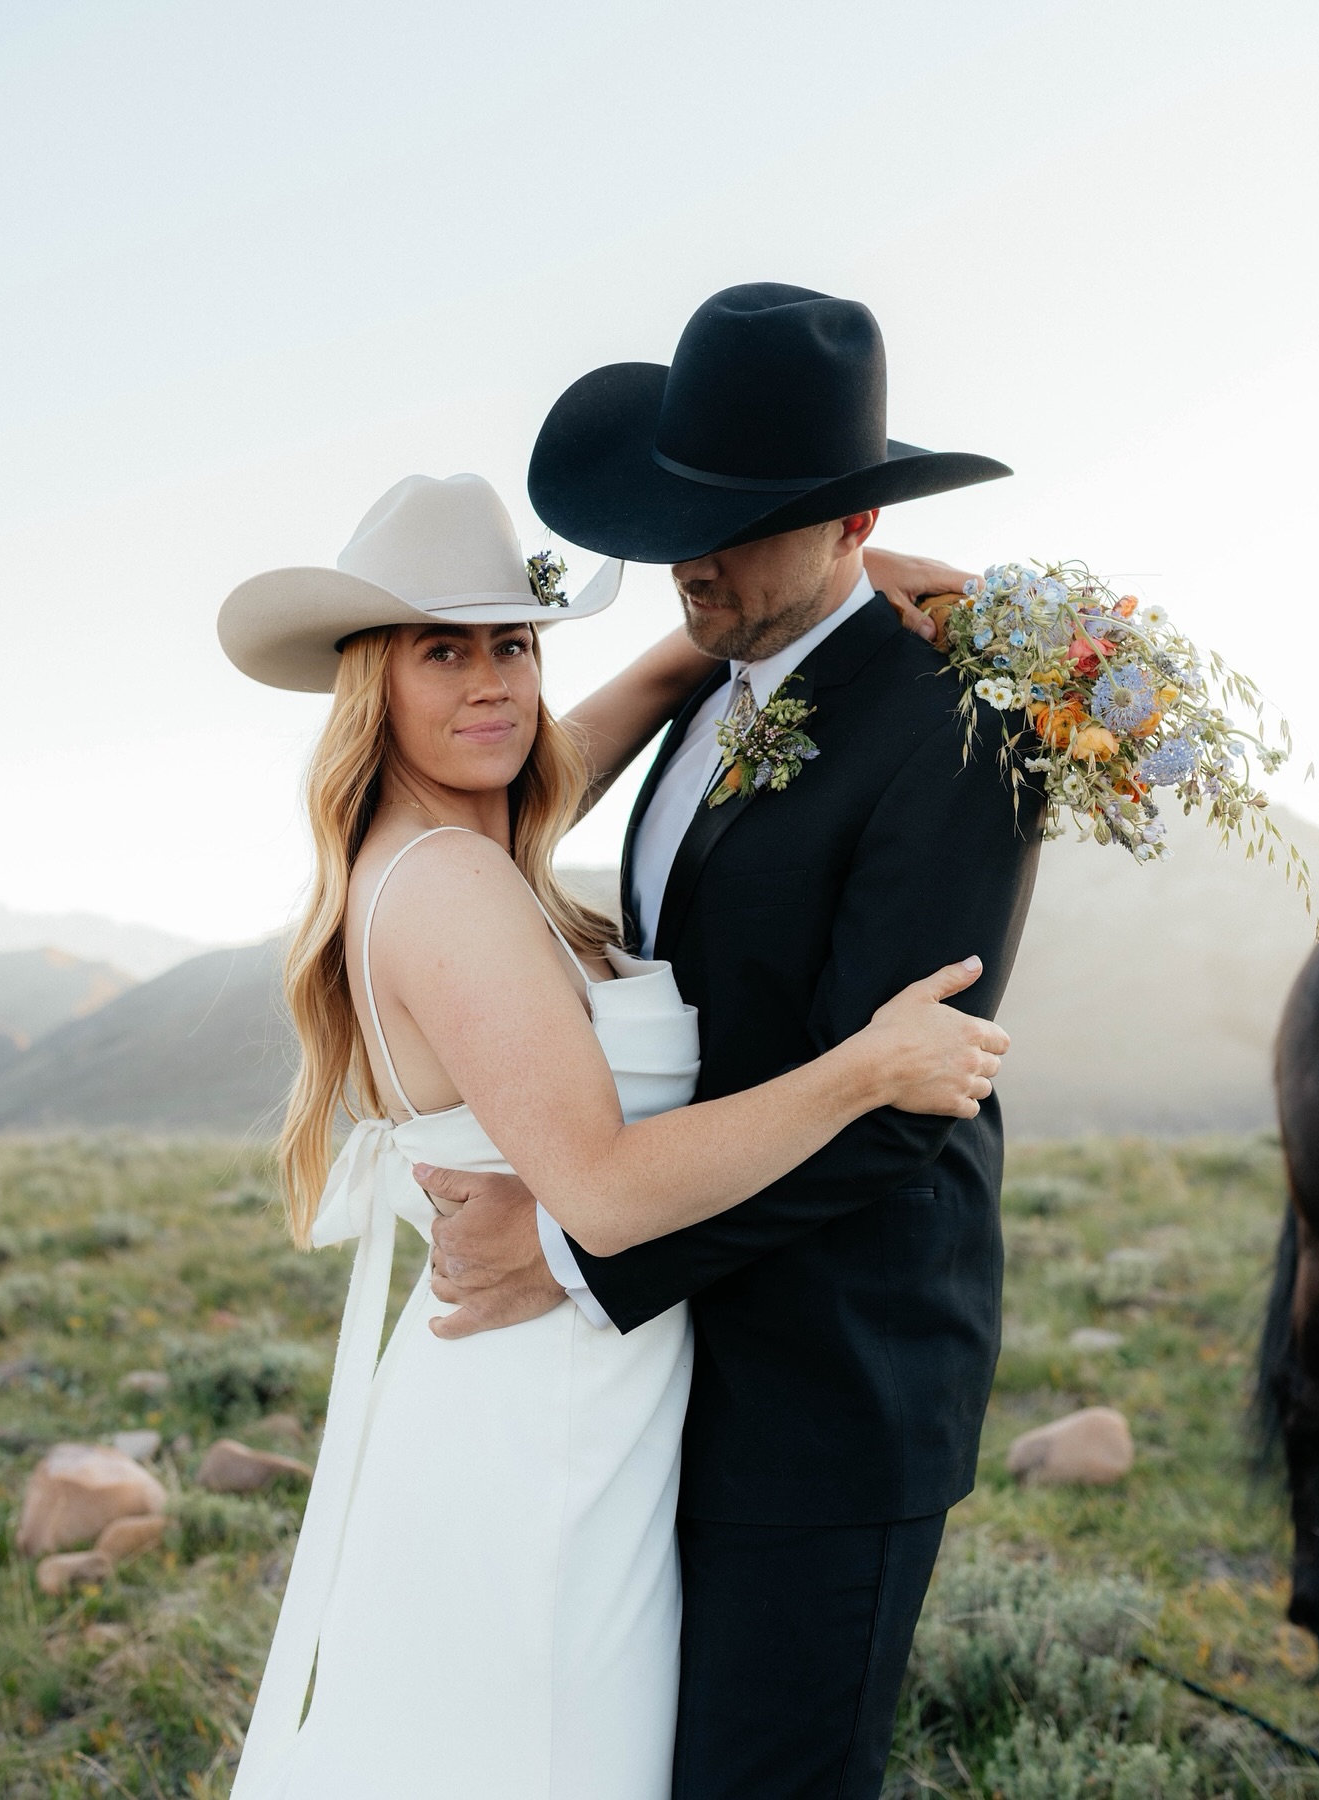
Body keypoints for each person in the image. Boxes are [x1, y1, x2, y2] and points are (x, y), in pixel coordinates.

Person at [216, 467, 1010, 1800]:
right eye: (442, 651)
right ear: (372, 681)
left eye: (514, 644)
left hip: (597, 1394)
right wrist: (864, 1070)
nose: (493, 685)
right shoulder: (451, 882)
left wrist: (827, 587)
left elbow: (590, 723)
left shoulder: (472, 829)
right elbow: (603, 1192)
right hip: (548, 1416)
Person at [417, 285, 1046, 1800]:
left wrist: (572, 1255)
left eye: (744, 522)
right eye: (681, 514)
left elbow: (900, 1105)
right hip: (676, 1371)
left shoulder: (958, 724)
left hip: (834, 1387)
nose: (692, 553)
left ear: (855, 524)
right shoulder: (716, 683)